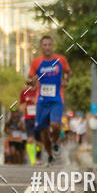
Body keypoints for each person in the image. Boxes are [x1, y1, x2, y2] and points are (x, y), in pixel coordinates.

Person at [26, 35, 70, 164]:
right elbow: (28, 79)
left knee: (55, 125)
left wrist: (66, 80)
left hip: (57, 98)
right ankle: (50, 154)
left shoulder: (61, 60)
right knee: (43, 131)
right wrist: (31, 81)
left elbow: (68, 72)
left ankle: (55, 142)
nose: (47, 47)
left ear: (52, 45)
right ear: (41, 47)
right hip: (42, 100)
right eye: (44, 45)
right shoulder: (36, 62)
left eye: (49, 44)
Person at [19, 83, 41, 164]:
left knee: (39, 142)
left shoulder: (39, 91)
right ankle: (33, 160)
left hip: (38, 119)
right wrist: (23, 111)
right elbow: (21, 104)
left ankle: (38, 156)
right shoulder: (24, 92)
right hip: (28, 118)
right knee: (30, 139)